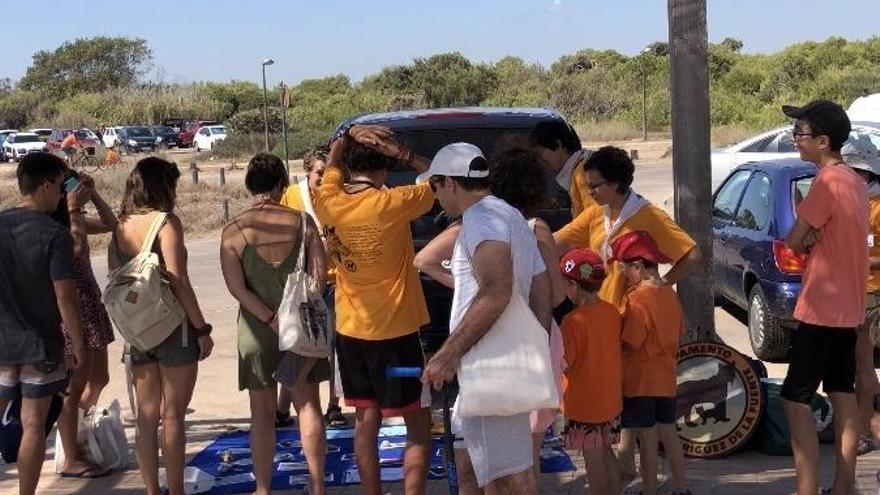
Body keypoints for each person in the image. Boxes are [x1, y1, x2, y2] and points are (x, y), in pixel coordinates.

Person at [414, 145, 567, 479]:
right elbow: (541, 287)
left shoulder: (484, 220)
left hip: (490, 369)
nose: (435, 197)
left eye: (434, 187)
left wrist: (447, 354)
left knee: (507, 477)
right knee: (479, 470)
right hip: (499, 366)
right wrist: (537, 342)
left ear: (450, 184)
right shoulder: (507, 215)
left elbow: (496, 292)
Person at [553, 145, 699, 480]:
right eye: (588, 185)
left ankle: (632, 475)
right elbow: (557, 240)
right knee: (619, 408)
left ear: (617, 182)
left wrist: (660, 284)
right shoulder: (594, 214)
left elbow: (692, 255)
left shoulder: (649, 216)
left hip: (630, 327)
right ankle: (622, 469)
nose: (590, 192)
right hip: (602, 323)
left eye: (596, 185)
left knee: (634, 410)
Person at [311, 125, 434, 495]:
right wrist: (404, 154)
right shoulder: (394, 202)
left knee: (366, 420)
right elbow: (444, 177)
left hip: (351, 334)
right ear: (384, 171)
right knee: (418, 422)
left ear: (349, 170)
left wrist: (346, 138)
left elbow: (332, 161)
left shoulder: (327, 200)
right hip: (396, 336)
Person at [220, 152, 330, 495]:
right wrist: (289, 317)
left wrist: (268, 318)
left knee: (262, 414)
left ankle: (263, 488)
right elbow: (318, 279)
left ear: (251, 186)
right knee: (308, 405)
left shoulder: (233, 230)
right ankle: (316, 486)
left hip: (256, 332)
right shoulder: (303, 223)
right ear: (283, 184)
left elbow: (237, 288)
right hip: (300, 331)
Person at [109, 157, 215, 495]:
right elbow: (178, 279)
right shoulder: (166, 223)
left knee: (145, 415)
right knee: (173, 416)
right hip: (172, 326)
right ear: (163, 187)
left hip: (138, 329)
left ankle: (153, 490)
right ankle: (177, 490)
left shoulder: (121, 225)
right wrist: (202, 328)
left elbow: (118, 277)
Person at [782, 100, 866, 495]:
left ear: (823, 141)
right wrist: (813, 236)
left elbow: (795, 239)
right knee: (842, 396)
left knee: (795, 399)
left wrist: (808, 237)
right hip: (849, 309)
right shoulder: (855, 181)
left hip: (821, 310)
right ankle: (844, 486)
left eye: (800, 134)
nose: (795, 140)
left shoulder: (827, 181)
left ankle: (807, 489)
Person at [0, 152, 85, 495]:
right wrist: (76, 343)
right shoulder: (54, 235)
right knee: (33, 424)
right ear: (47, 184)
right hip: (41, 345)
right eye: (61, 186)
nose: (63, 194)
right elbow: (65, 296)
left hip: (2, 343)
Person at [51, 170, 119, 479]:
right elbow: (76, 252)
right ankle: (70, 452)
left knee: (100, 378)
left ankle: (76, 435)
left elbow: (110, 224)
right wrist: (75, 208)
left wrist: (94, 195)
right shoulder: (54, 227)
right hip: (72, 311)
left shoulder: (72, 218)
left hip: (91, 305)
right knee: (72, 388)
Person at [611, 231, 689, 495]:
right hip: (666, 378)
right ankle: (681, 489)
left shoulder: (637, 299)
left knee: (647, 440)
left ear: (638, 266)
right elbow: (679, 331)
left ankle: (650, 489)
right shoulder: (670, 294)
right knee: (669, 434)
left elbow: (631, 340)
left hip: (640, 380)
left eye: (624, 269)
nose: (623, 275)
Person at [280, 148, 347, 428]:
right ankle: (283, 408)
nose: (324, 177)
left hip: (336, 281)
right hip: (305, 284)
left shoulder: (339, 194)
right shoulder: (294, 196)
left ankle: (333, 404)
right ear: (308, 170)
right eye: (320, 172)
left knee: (332, 347)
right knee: (297, 344)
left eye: (328, 173)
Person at [557, 247, 623, 495]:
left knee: (592, 460)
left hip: (584, 403)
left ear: (573, 285)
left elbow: (567, 362)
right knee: (607, 452)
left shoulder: (572, 322)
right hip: (610, 399)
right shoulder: (612, 312)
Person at [842, 139, 880, 454]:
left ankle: (866, 433)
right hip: (852, 291)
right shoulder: (857, 203)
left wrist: (859, 260)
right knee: (859, 366)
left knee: (862, 365)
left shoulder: (877, 206)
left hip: (871, 293)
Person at [528, 120, 594, 217]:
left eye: (540, 153)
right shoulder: (577, 169)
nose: (538, 160)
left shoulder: (582, 174)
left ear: (558, 145)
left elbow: (595, 218)